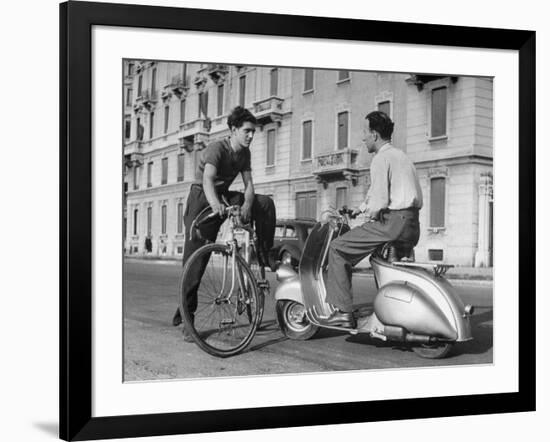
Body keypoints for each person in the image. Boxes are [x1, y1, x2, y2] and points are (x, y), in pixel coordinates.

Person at [172, 106, 276, 340]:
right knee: (195, 265)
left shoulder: (245, 154)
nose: (251, 136)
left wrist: (248, 205)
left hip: (223, 195)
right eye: (247, 131)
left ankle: (265, 253)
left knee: (265, 203)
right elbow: (208, 180)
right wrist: (216, 205)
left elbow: (249, 185)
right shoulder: (217, 148)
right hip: (201, 200)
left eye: (253, 132)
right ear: (233, 130)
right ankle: (187, 320)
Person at [321, 111, 423, 329]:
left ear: (375, 135)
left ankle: (343, 312)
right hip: (412, 225)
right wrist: (359, 210)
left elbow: (379, 201)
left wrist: (368, 215)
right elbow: (386, 194)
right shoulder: (402, 157)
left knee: (338, 249)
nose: (362, 137)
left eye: (365, 132)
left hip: (393, 224)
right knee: (382, 260)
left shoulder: (380, 159)